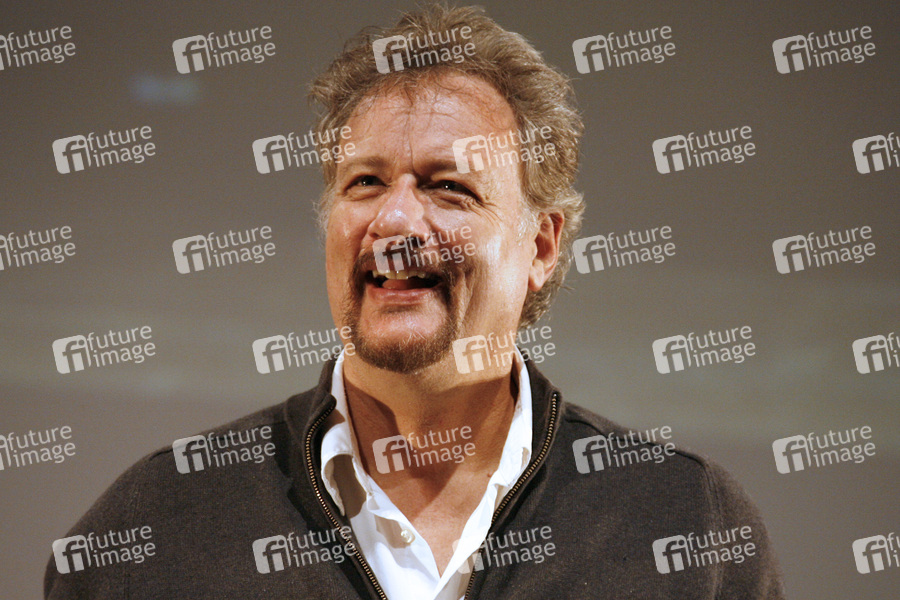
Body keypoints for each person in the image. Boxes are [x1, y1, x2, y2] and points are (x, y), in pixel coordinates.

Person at [45, 5, 784, 599]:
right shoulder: (155, 529)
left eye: (449, 187)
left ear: (541, 246)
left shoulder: (683, 523)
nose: (394, 220)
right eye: (365, 182)